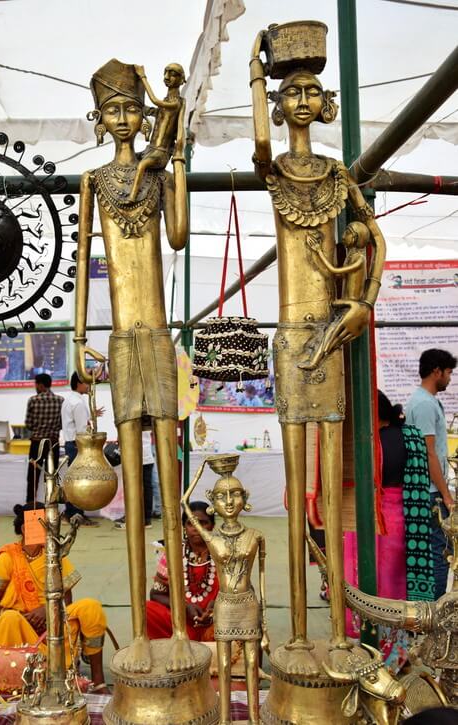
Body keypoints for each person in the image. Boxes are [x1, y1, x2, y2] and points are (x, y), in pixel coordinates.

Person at [250, 24, 386, 675]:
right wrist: (256, 70)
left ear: (324, 102)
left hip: (330, 333)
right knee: (293, 481)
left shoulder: (336, 174)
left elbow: (376, 238)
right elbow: (255, 146)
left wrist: (366, 297)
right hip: (289, 335)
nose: (301, 99)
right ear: (280, 107)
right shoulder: (273, 170)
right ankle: (298, 632)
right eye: (291, 91)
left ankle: (337, 628)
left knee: (330, 487)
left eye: (310, 90)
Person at [75, 58, 191, 673]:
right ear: (101, 118)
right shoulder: (94, 179)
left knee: (168, 485)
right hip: (119, 341)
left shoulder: (154, 174)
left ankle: (172, 634)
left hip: (158, 339)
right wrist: (76, 336)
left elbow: (177, 238)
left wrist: (174, 167)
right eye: (113, 109)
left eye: (131, 109)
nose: (123, 118)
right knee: (130, 491)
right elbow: (82, 258)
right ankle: (137, 635)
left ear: (145, 117)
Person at [344, 390, 434, 672]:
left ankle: (362, 648)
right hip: (399, 518)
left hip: (360, 517)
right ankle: (395, 656)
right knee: (394, 586)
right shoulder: (409, 437)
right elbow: (422, 479)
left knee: (359, 580)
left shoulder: (362, 440)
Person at [0, 502, 108, 693]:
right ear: (25, 529)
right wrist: (24, 617)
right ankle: (15, 683)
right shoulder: (8, 557)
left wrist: (47, 612)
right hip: (20, 626)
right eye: (45, 525)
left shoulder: (55, 554)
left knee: (91, 607)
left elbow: (67, 601)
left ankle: (98, 682)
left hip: (52, 623)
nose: (50, 529)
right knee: (10, 619)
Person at [182, 459, 269, 725]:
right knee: (223, 668)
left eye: (235, 494)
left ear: (246, 498)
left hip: (248, 603)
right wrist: (200, 470)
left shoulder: (256, 535)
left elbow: (262, 579)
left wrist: (263, 621)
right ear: (212, 501)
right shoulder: (212, 538)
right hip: (225, 605)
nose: (229, 502)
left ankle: (254, 719)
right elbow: (184, 503)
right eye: (221, 496)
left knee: (253, 665)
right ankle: (223, 720)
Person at [406, 348, 457, 598]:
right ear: (436, 371)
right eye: (448, 373)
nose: (449, 378)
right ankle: (436, 616)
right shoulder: (424, 404)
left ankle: (428, 612)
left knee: (433, 554)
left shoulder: (426, 401)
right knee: (441, 554)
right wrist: (446, 496)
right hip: (432, 493)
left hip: (428, 490)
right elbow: (429, 454)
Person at [300, 221, 370, 370]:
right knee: (328, 332)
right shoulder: (350, 256)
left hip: (351, 307)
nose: (343, 236)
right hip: (345, 304)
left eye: (347, 233)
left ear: (356, 237)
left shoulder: (359, 258)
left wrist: (318, 251)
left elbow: (335, 271)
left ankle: (315, 362)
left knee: (331, 334)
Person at [146, 501, 218, 641]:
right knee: (146, 610)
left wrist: (217, 606)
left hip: (217, 622)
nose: (197, 528)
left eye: (203, 523)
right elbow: (156, 594)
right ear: (184, 527)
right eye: (191, 523)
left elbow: (239, 590)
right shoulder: (174, 553)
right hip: (182, 622)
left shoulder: (222, 551)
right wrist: (184, 607)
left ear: (212, 525)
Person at [129, 63, 186, 202]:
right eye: (166, 73)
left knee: (142, 165)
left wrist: (143, 77)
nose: (167, 77)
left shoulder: (175, 103)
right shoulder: (166, 102)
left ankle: (132, 198)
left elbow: (154, 100)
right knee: (128, 159)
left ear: (181, 79)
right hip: (150, 150)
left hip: (160, 153)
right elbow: (153, 110)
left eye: (172, 74)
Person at [61, 371, 102, 526]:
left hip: (71, 443)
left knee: (74, 481)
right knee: (79, 482)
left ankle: (71, 512)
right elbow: (82, 430)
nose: (89, 386)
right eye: (87, 382)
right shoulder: (78, 403)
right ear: (79, 383)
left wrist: (90, 417)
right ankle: (76, 514)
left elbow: (77, 423)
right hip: (78, 445)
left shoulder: (70, 399)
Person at [24, 373, 63, 503]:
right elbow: (62, 424)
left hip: (36, 444)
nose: (35, 386)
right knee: (51, 476)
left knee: (33, 477)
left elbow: (28, 424)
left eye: (35, 384)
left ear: (40, 385)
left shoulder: (33, 401)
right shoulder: (60, 400)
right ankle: (51, 506)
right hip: (53, 444)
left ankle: (30, 506)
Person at [114, 431, 154, 530]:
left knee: (135, 488)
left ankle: (136, 519)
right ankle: (145, 519)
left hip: (135, 455)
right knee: (145, 487)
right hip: (145, 454)